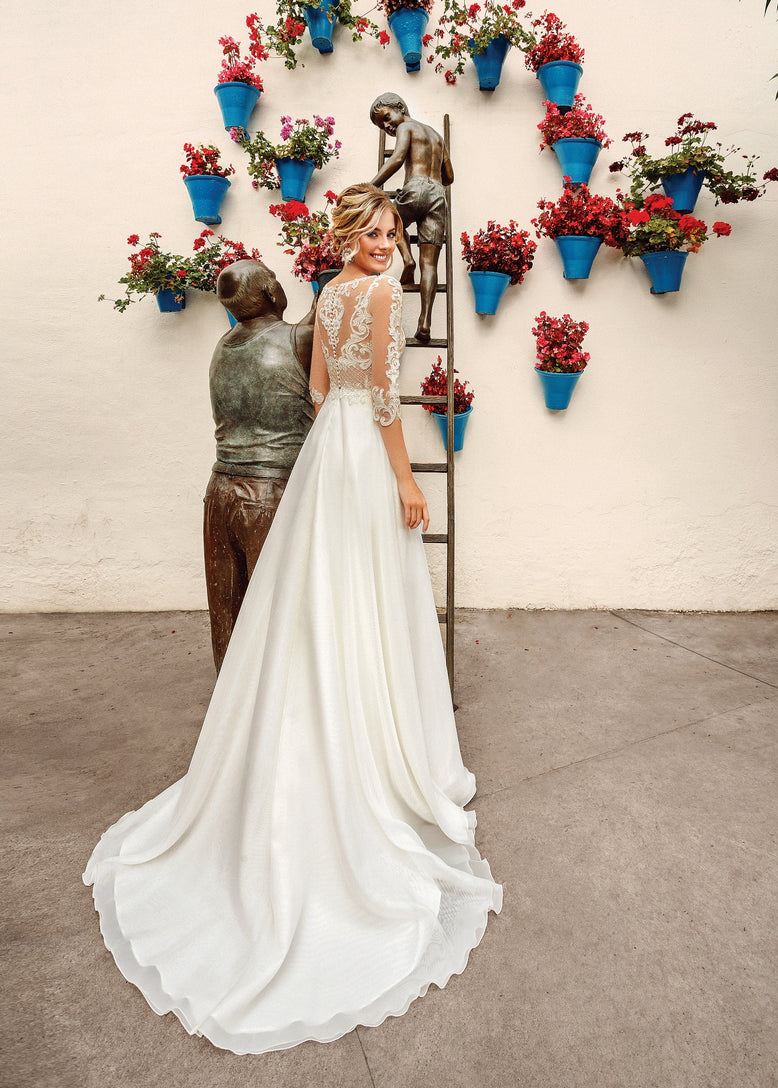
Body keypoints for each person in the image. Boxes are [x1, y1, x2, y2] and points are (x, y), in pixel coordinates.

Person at [83, 183, 501, 1054]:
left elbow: (319, 387)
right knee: (369, 596)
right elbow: (385, 401)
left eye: (391, 233)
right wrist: (404, 478)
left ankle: (323, 715)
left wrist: (337, 452)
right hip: (362, 455)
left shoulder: (331, 295)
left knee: (317, 598)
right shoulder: (379, 294)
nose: (385, 243)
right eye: (372, 231)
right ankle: (372, 745)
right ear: (349, 234)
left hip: (323, 458)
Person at [205, 261, 315, 672]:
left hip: (219, 490)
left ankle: (231, 717)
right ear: (272, 292)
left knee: (227, 612)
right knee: (281, 610)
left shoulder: (224, 344)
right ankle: (278, 717)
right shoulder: (299, 340)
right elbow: (303, 334)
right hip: (270, 493)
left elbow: (287, 334)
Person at [369, 92, 454, 343]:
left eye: (386, 117)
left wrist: (370, 186)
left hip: (415, 187)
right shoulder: (437, 138)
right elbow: (449, 176)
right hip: (438, 194)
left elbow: (396, 159)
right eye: (381, 126)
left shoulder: (406, 126)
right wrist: (433, 176)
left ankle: (407, 260)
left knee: (389, 220)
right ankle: (425, 321)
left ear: (400, 108)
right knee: (431, 264)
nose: (387, 126)